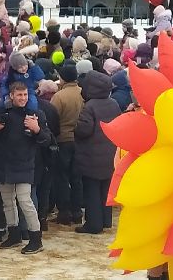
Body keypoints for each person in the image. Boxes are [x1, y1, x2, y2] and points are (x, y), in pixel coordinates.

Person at [0, 82, 51, 254]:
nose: (23, 98)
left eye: (25, 95)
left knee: (25, 201)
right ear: (11, 96)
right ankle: (13, 235)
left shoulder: (35, 115)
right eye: (19, 95)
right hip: (4, 163)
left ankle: (36, 238)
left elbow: (47, 141)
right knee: (7, 202)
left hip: (25, 164)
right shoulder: (2, 114)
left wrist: (37, 130)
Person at [73, 71, 122, 234]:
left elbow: (84, 131)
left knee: (91, 190)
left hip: (91, 156)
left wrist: (76, 128)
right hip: (109, 153)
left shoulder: (90, 106)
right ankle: (106, 220)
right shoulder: (113, 103)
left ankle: (93, 224)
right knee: (105, 189)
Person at [49, 64, 83, 225]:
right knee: (76, 178)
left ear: (62, 78)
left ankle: (64, 213)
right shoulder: (83, 93)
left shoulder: (59, 96)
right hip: (79, 139)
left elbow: (53, 118)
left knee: (61, 177)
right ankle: (77, 212)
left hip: (63, 140)